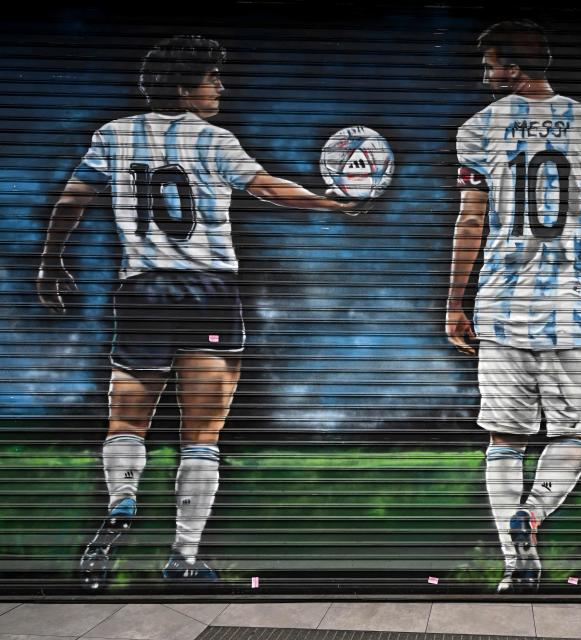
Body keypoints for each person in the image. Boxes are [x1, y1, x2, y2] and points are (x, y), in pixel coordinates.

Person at [36, 35, 364, 589]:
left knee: (126, 421)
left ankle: (122, 498)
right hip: (209, 289)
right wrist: (330, 201)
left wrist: (51, 263)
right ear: (187, 87)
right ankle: (183, 559)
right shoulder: (214, 140)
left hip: (142, 291)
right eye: (213, 78)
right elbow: (268, 190)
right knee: (202, 433)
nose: (221, 87)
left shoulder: (113, 135)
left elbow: (72, 199)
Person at [446, 19, 581, 592]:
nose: (486, 74)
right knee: (575, 437)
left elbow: (471, 219)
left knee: (504, 440)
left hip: (501, 307)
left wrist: (456, 300)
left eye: (492, 64)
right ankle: (535, 513)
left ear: (514, 68)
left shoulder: (478, 129)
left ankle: (515, 563)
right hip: (570, 309)